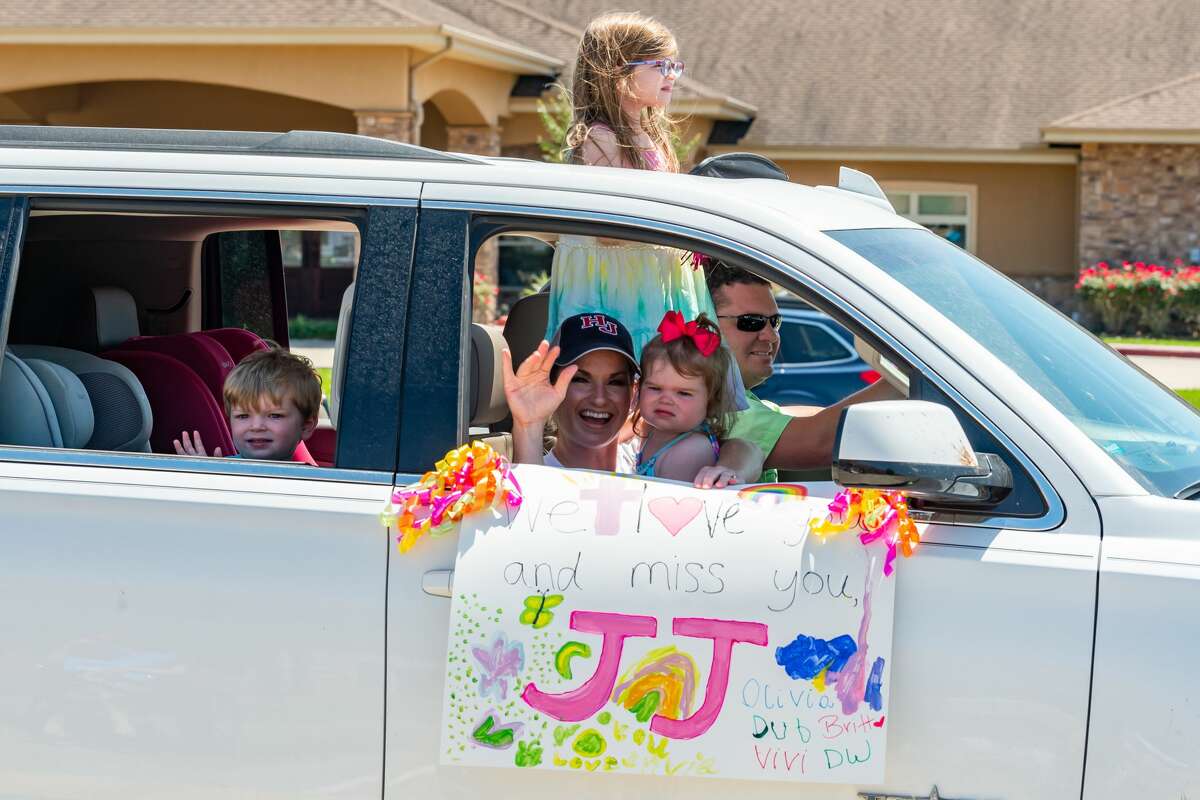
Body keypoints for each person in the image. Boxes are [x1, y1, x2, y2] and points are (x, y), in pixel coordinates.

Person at [543, 12, 718, 362]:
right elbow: (611, 230)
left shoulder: (651, 137)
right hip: (618, 288)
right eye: (660, 65)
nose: (672, 75)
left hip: (649, 278)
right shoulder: (601, 141)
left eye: (674, 66)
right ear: (618, 72)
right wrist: (681, 228)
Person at [502, 312, 762, 488]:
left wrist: (729, 469)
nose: (600, 398)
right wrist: (528, 425)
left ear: (634, 392)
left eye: (615, 382)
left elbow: (748, 449)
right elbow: (526, 519)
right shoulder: (537, 473)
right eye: (580, 380)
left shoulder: (645, 450)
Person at [705, 261, 901, 482]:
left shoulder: (736, 399)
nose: (770, 336)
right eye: (751, 322)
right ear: (705, 323)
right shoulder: (721, 408)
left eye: (774, 322)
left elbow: (808, 417)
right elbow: (819, 440)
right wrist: (906, 376)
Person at [631, 311, 737, 483]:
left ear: (710, 400)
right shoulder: (651, 430)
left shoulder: (691, 450)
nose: (665, 399)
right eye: (655, 388)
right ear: (639, 387)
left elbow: (667, 507)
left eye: (683, 393)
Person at [174, 348, 321, 461]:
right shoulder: (219, 471)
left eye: (275, 415)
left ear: (306, 426)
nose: (256, 426)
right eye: (243, 416)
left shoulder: (314, 484)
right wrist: (202, 478)